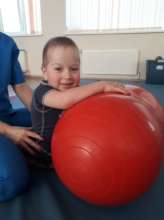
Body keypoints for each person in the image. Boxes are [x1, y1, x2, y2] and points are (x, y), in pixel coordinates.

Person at [31, 36, 130, 167]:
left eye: (74, 69)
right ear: (45, 72)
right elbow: (64, 100)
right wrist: (101, 85)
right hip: (45, 153)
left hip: (67, 144)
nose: (67, 76)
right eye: (58, 69)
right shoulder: (42, 91)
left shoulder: (74, 90)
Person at [0, 32, 43, 202]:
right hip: (4, 126)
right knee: (13, 181)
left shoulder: (5, 43)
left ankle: (17, 153)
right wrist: (8, 131)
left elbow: (21, 86)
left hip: (7, 116)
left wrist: (44, 116)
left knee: (56, 124)